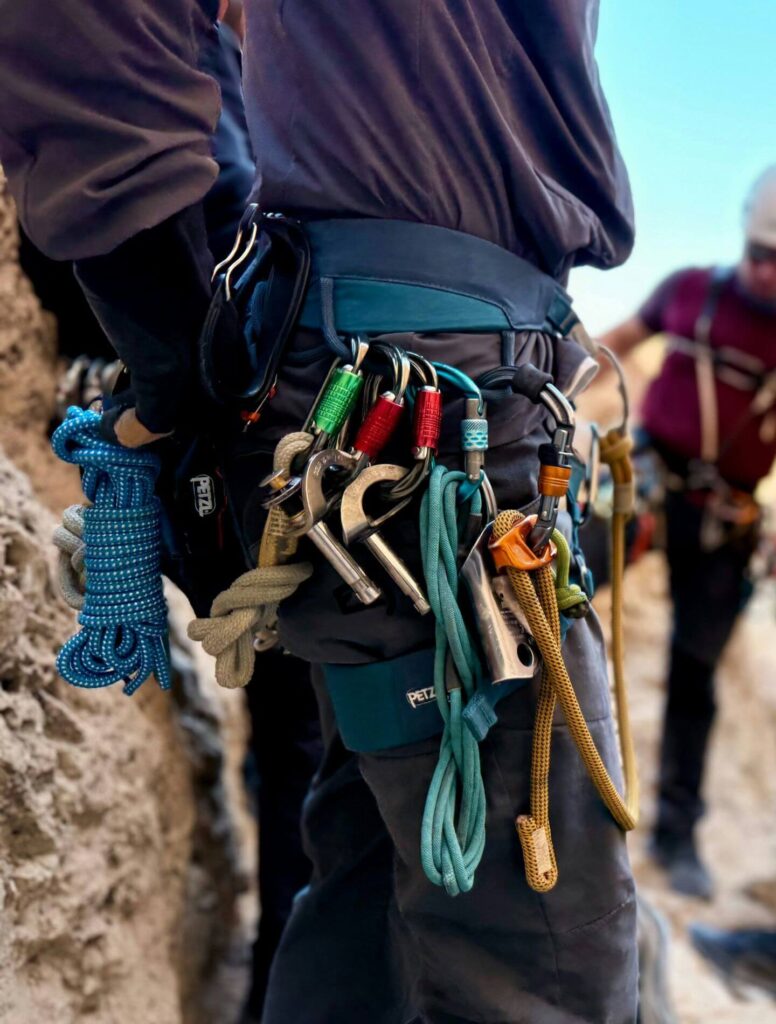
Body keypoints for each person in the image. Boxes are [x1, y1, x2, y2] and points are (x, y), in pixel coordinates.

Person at [0, 3, 639, 1021]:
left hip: (436, 399)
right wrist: (180, 368)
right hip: (429, 397)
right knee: (545, 961)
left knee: (373, 892)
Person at [600, 167, 776, 901]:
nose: (768, 272)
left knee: (694, 674)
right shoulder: (691, 289)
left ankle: (675, 835)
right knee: (556, 595)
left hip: (724, 515)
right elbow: (619, 340)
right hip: (647, 482)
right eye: (761, 253)